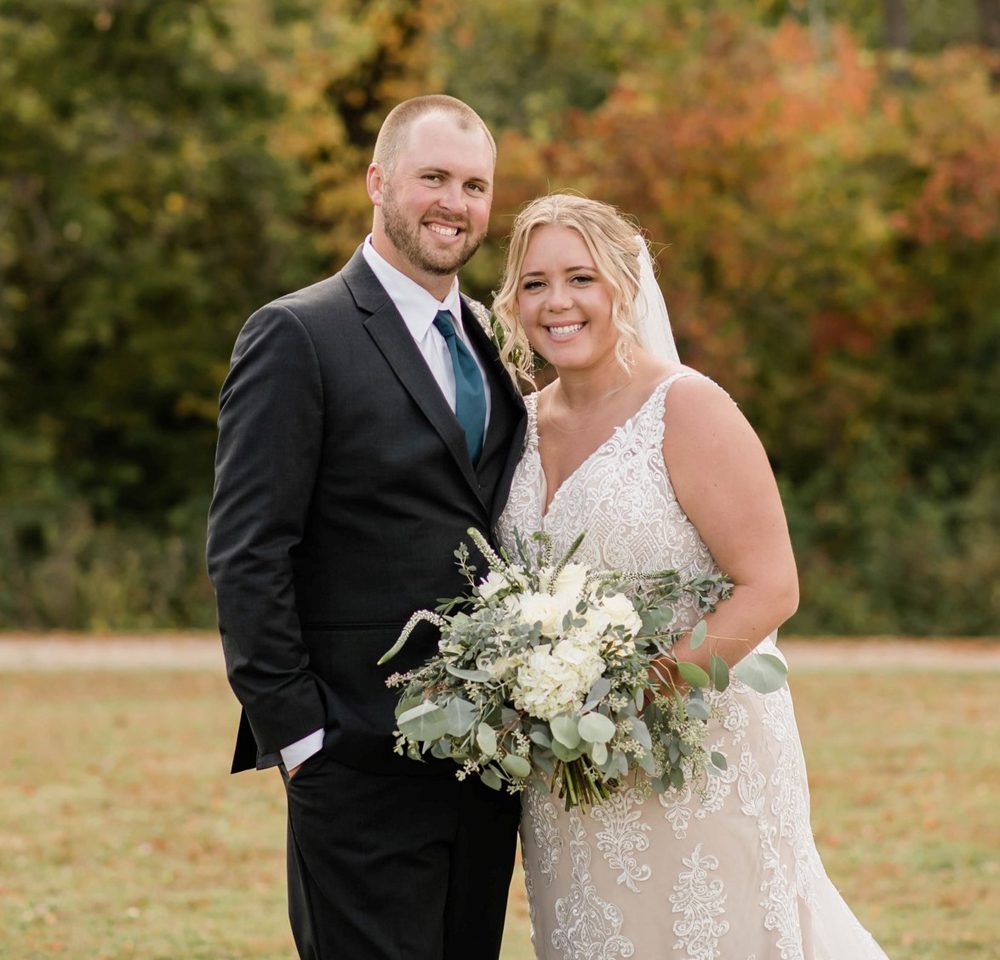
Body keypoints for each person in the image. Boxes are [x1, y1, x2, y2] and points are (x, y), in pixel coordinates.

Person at [493, 194, 890, 959]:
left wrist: (638, 701)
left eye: (581, 277)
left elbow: (772, 586)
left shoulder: (686, 407)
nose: (558, 302)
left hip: (693, 760)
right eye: (535, 283)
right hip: (565, 779)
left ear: (624, 287)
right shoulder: (516, 423)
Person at [206, 95, 527, 960]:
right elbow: (247, 553)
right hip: (353, 759)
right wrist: (303, 740)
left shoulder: (490, 341)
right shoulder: (297, 334)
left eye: (474, 185)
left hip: (484, 764)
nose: (454, 204)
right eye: (433, 178)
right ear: (378, 181)